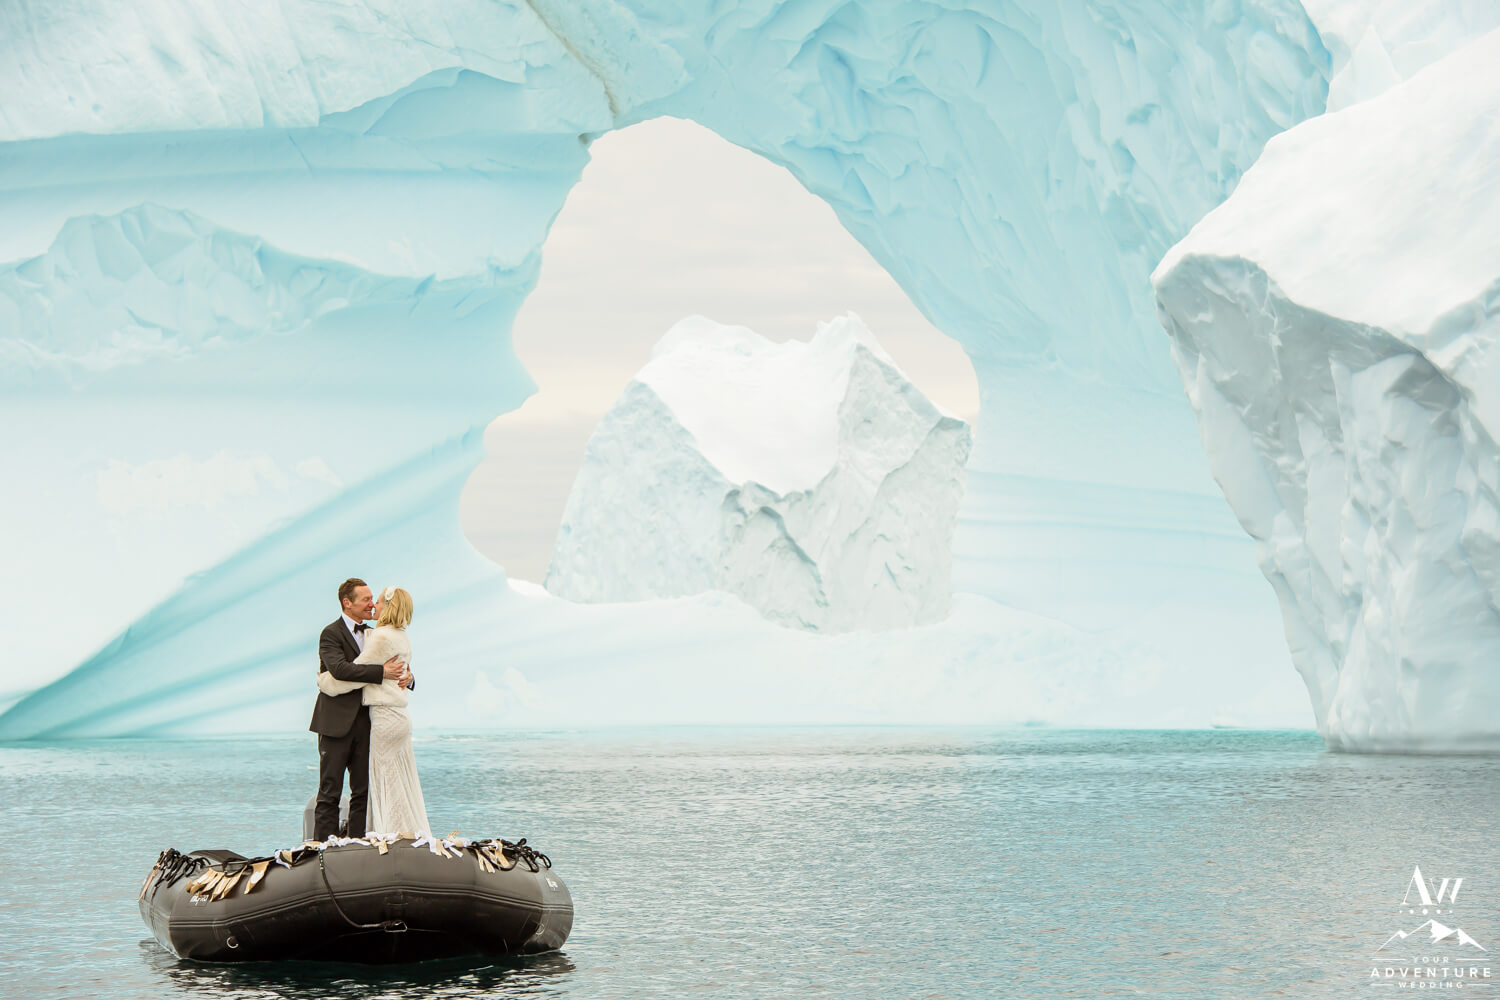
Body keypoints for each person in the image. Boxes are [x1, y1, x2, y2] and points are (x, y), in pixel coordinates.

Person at [316, 586, 431, 836]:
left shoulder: (376, 634)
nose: (371, 604)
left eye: (374, 600)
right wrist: (382, 673)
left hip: (368, 723)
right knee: (330, 790)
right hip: (336, 722)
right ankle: (320, 850)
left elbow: (397, 665)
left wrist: (408, 676)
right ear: (348, 603)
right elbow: (341, 670)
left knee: (364, 791)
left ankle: (359, 844)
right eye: (366, 600)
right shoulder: (330, 634)